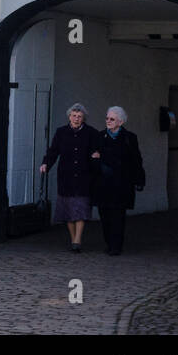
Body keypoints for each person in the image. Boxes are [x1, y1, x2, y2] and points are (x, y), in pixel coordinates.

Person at [39, 103, 102, 253]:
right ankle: (73, 237)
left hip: (83, 176)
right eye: (74, 116)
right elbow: (53, 151)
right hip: (66, 176)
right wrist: (46, 163)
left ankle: (77, 240)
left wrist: (97, 156)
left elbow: (98, 149)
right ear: (69, 117)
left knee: (80, 209)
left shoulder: (91, 133)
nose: (76, 119)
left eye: (79, 117)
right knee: (68, 211)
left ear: (83, 118)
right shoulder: (61, 132)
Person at [92, 105, 146, 256]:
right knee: (104, 215)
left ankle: (116, 246)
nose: (108, 121)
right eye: (107, 118)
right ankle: (109, 243)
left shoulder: (129, 138)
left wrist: (139, 179)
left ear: (120, 122)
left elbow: (133, 160)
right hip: (103, 183)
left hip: (121, 184)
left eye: (112, 119)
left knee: (117, 215)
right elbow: (94, 157)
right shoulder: (100, 136)